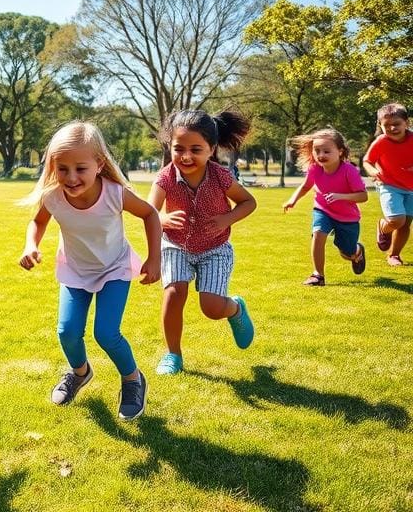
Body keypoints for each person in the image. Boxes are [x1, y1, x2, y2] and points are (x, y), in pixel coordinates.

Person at [18, 121, 160, 421]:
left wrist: (154, 258)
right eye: (62, 168)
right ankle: (80, 373)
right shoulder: (53, 197)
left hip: (114, 268)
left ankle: (133, 380)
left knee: (106, 334)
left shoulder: (114, 193)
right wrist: (30, 245)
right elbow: (38, 221)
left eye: (80, 168)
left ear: (99, 163)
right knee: (67, 332)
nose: (71, 177)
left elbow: (150, 214)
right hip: (75, 270)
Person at [147, 109, 257, 376]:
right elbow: (148, 211)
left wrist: (226, 219)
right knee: (173, 294)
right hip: (176, 246)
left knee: (212, 308)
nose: (186, 156)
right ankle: (173, 354)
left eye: (195, 149)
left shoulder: (221, 176)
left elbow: (248, 202)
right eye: (178, 148)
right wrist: (161, 218)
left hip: (215, 249)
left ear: (211, 149)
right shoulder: (165, 177)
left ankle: (234, 308)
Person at [283, 129, 368, 285]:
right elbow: (305, 186)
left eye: (326, 151)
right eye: (317, 151)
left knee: (346, 252)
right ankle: (318, 275)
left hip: (347, 217)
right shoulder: (314, 168)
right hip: (323, 210)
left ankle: (356, 251)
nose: (321, 155)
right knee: (318, 234)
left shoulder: (349, 171)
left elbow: (363, 196)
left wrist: (340, 196)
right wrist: (292, 200)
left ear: (340, 151)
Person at [363, 103, 413, 267]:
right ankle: (384, 227)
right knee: (397, 220)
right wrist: (372, 171)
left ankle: (394, 255)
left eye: (397, 124)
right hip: (389, 185)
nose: (392, 128)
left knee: (405, 224)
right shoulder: (381, 142)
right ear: (380, 126)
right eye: (387, 125)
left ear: (407, 123)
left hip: (411, 188)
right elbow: (367, 161)